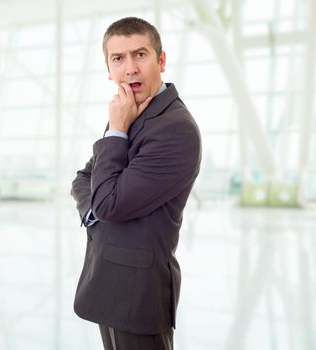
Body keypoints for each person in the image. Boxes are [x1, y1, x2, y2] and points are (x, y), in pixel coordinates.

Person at [70, 17, 201, 350]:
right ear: (109, 70)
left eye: (139, 55)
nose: (130, 69)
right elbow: (85, 177)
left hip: (139, 292)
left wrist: (116, 131)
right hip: (108, 280)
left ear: (161, 60)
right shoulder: (128, 112)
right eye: (118, 58)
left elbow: (110, 201)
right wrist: (95, 212)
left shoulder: (175, 129)